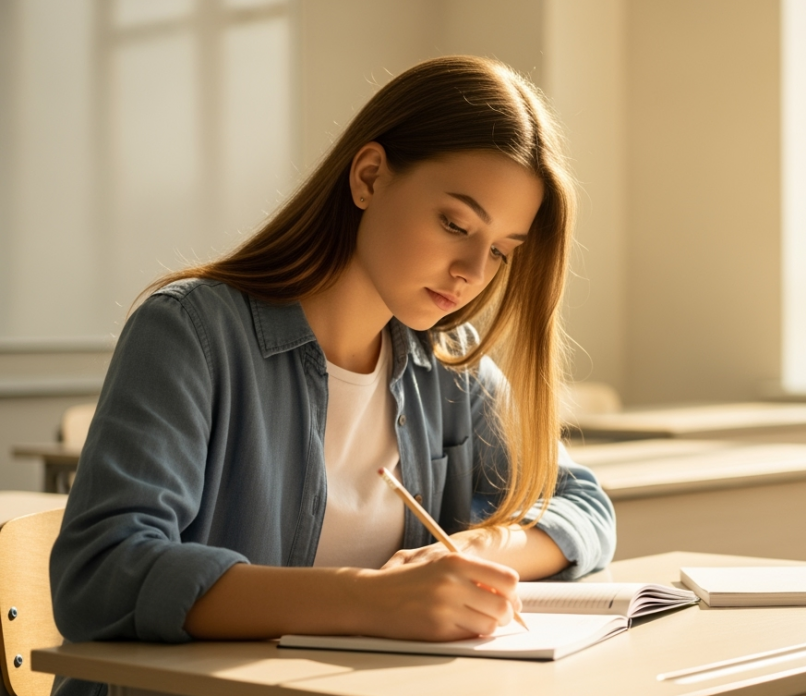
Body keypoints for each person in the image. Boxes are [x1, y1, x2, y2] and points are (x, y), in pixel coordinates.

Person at [49, 55, 615, 692]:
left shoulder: (446, 366)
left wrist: (477, 553)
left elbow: (582, 505)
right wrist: (375, 600)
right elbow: (100, 575)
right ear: (370, 177)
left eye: (500, 251)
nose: (472, 271)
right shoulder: (192, 333)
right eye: (455, 223)